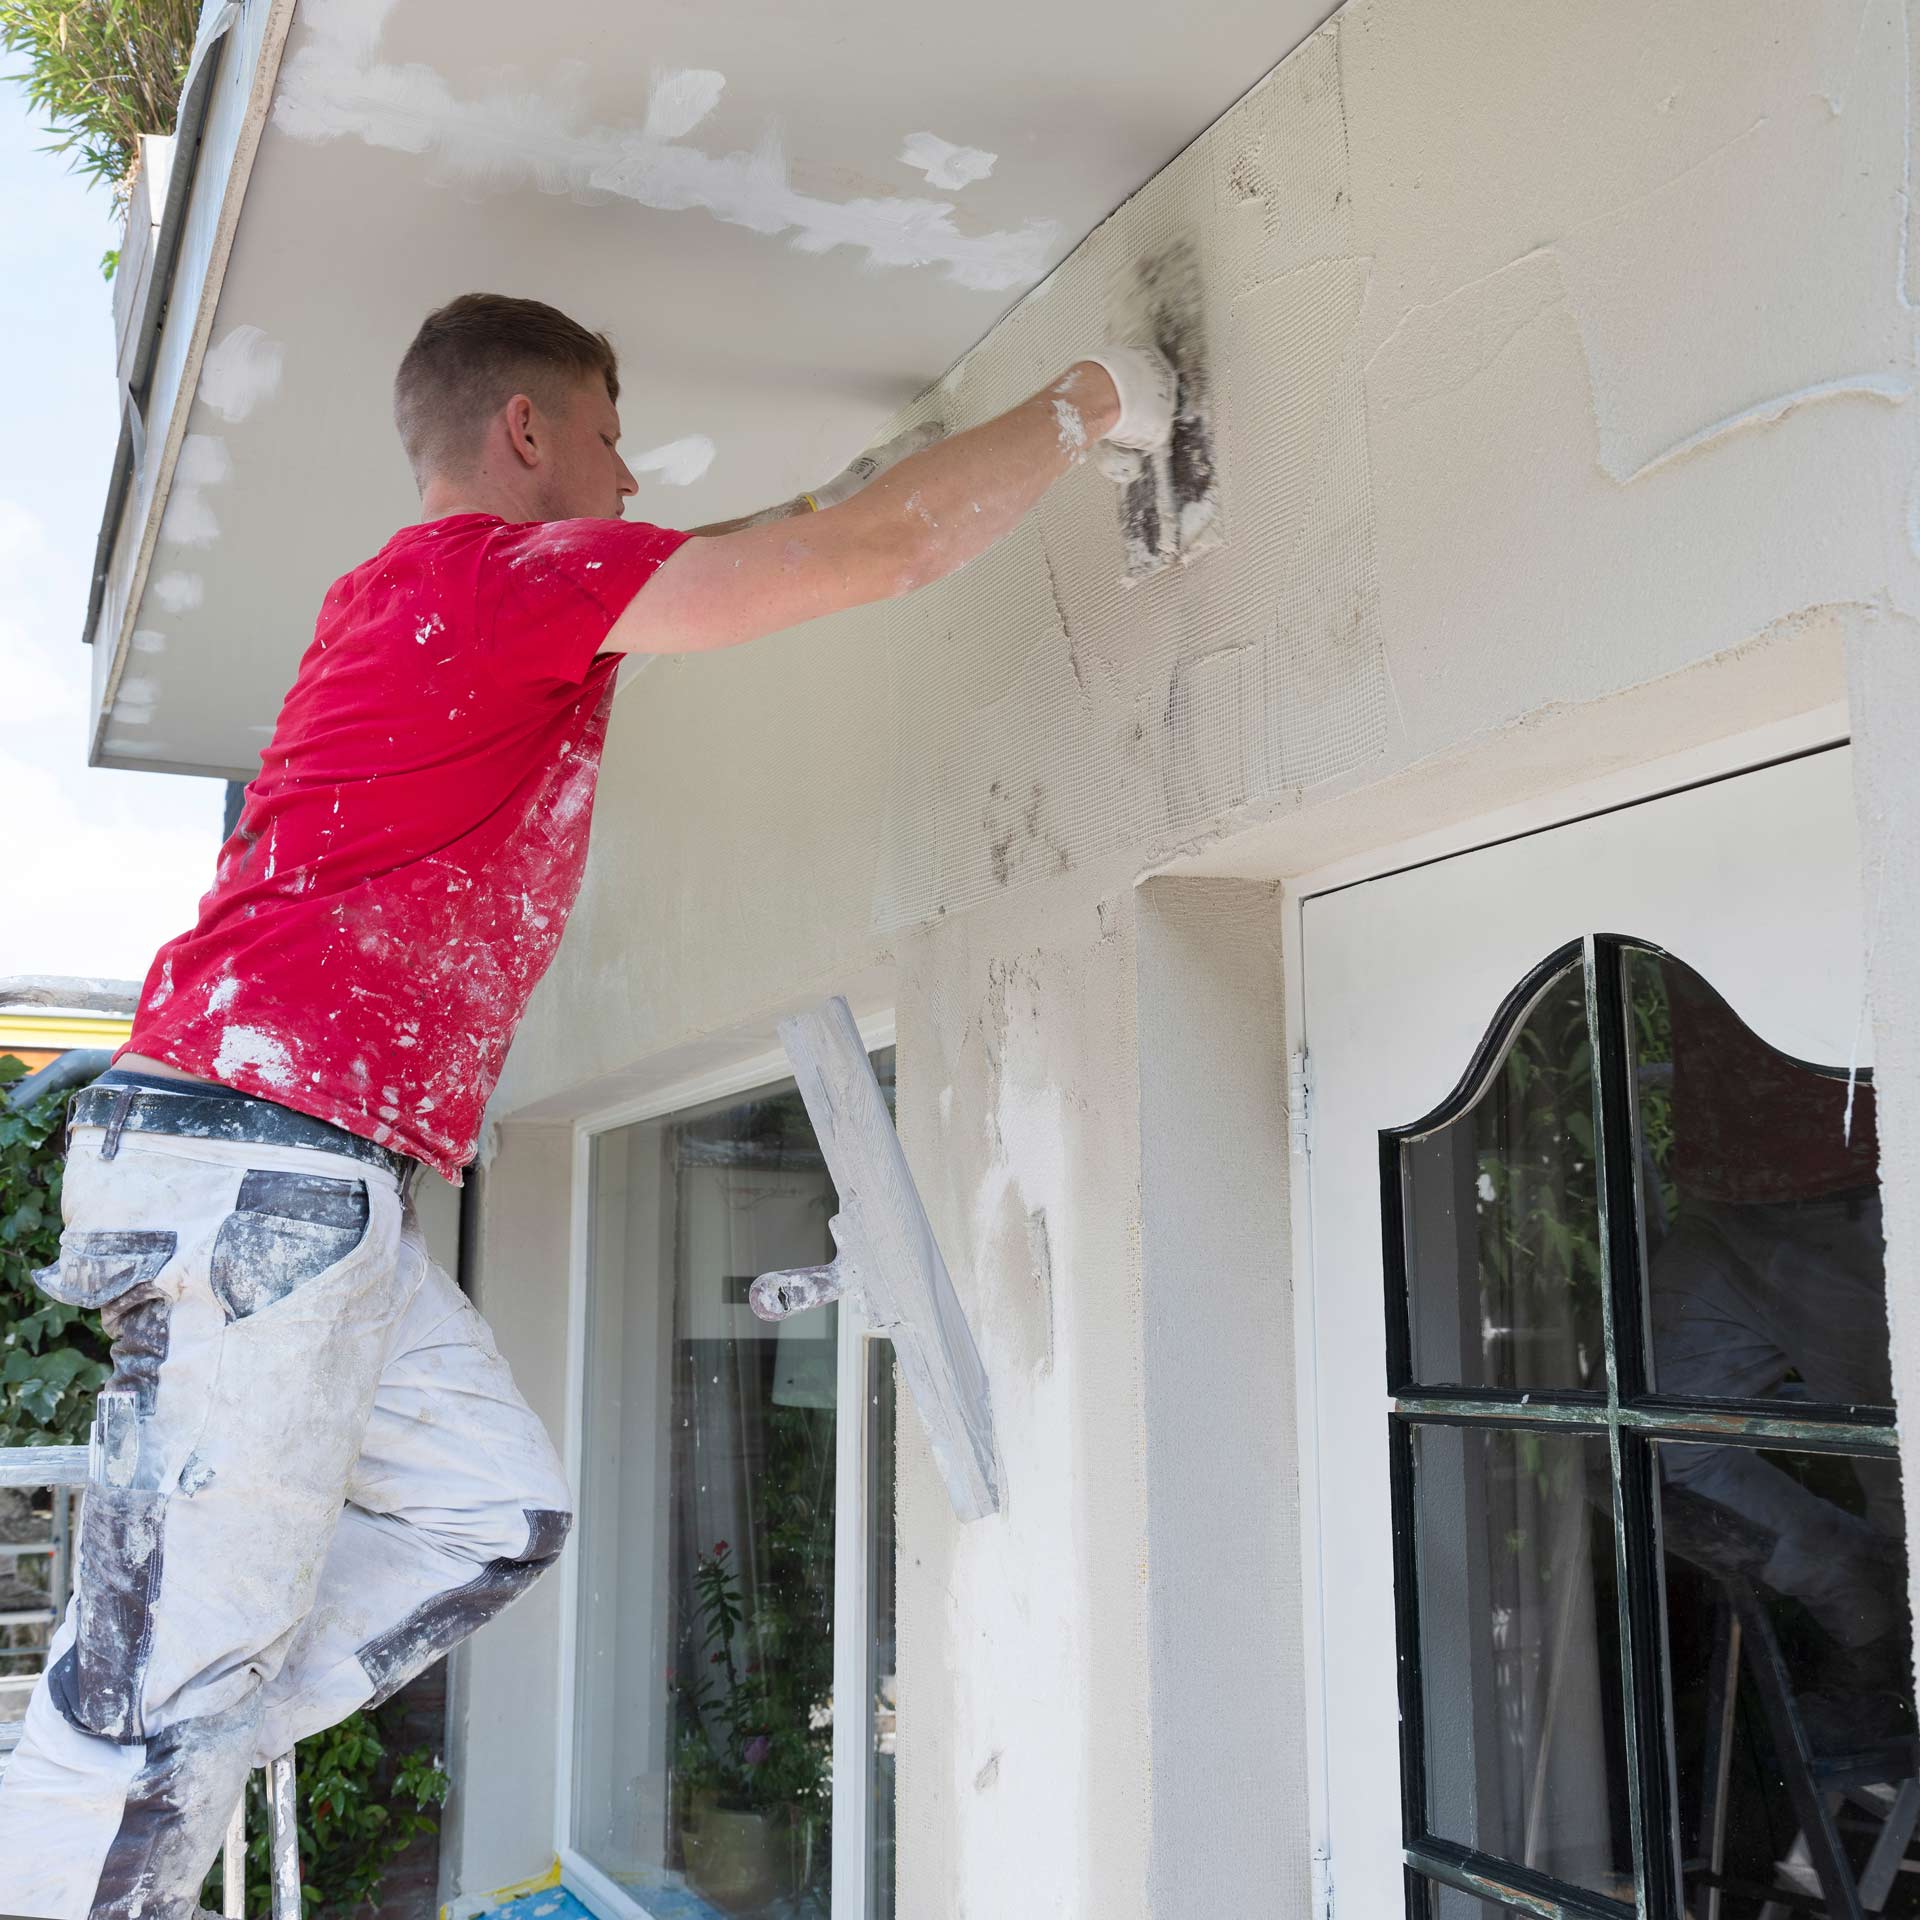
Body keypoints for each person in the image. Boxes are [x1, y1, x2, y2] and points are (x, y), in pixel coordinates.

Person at [0, 292, 1174, 1918]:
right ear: (528, 433)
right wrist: (1087, 400)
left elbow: (754, 557)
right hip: (257, 1166)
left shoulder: (403, 600)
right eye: (612, 443)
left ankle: (154, 1744)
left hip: (285, 1168)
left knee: (491, 1514)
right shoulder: (496, 581)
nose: (629, 487)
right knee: (146, 1714)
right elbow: (877, 555)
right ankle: (129, 1759)